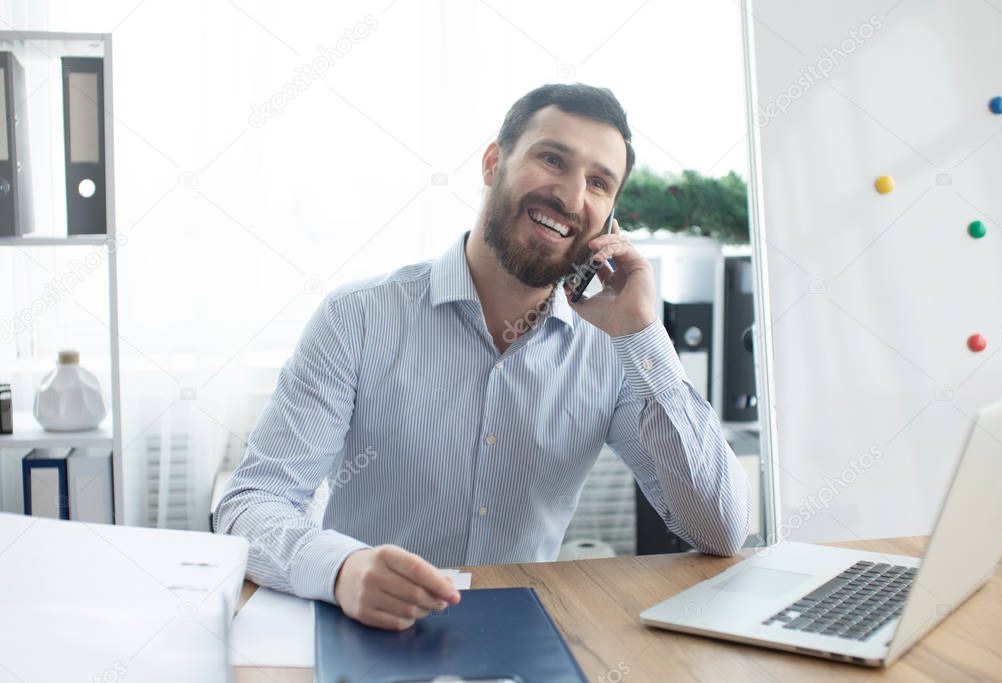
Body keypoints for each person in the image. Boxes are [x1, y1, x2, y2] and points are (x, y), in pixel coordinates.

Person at [214, 83, 751, 631]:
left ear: (611, 220)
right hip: (369, 631)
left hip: (524, 638)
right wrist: (341, 569)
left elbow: (720, 530)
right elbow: (251, 504)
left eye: (598, 183)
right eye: (552, 159)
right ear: (493, 163)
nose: (570, 197)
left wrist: (643, 334)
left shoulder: (613, 346)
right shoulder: (359, 317)